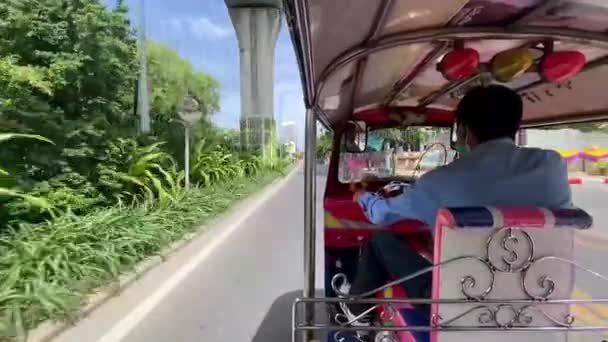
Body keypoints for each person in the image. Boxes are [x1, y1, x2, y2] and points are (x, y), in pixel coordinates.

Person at [343, 85, 573, 325]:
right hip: (541, 305)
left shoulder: (438, 181)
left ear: (462, 130)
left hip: (455, 309)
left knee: (380, 241)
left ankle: (357, 310)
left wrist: (365, 198)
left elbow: (381, 215)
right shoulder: (552, 166)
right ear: (515, 126)